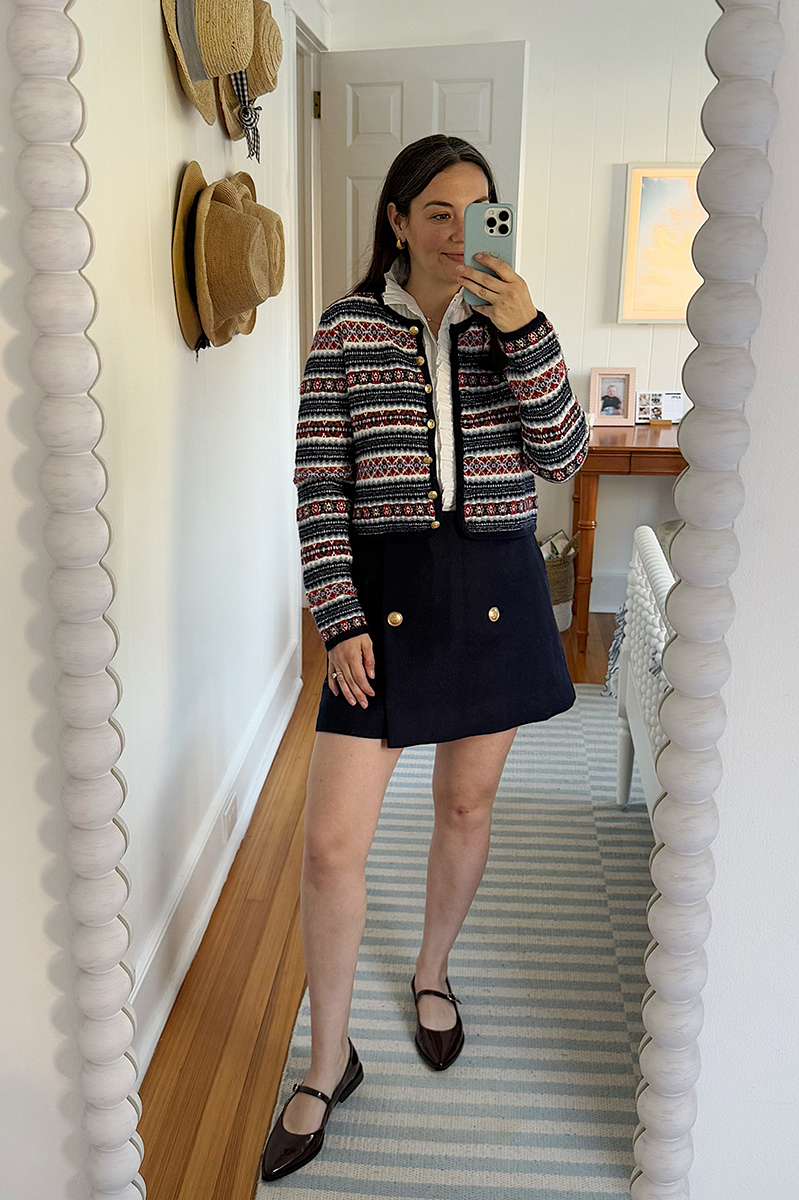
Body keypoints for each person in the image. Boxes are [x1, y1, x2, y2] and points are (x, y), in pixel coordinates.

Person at [261, 134, 589, 1182]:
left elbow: (564, 452)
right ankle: (327, 1060)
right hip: (384, 600)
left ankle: (433, 972)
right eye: (437, 212)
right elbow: (319, 487)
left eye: (477, 211)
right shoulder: (346, 330)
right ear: (396, 221)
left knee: (465, 806)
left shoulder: (512, 324)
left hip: (492, 583)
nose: (458, 233)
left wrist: (524, 328)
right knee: (328, 847)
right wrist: (337, 617)